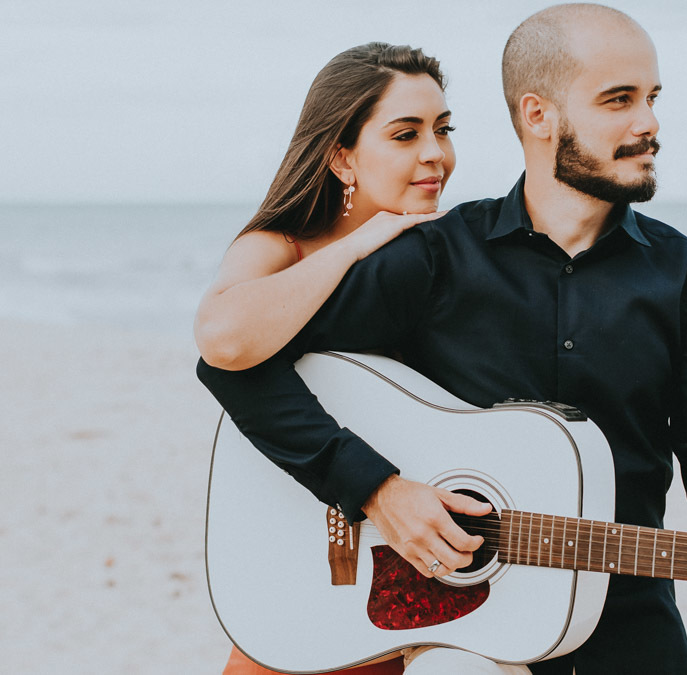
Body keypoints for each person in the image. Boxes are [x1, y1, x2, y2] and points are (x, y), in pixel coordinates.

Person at [198, 5, 687, 674]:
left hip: (625, 621)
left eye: (653, 99)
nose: (649, 123)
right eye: (618, 100)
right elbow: (237, 363)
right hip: (461, 627)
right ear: (538, 115)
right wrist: (376, 488)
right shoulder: (433, 257)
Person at [195, 42, 459, 675]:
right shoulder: (279, 245)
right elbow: (224, 341)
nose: (435, 153)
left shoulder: (450, 250)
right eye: (405, 134)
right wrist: (360, 242)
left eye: (444, 130)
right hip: (320, 563)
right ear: (343, 155)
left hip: (428, 573)